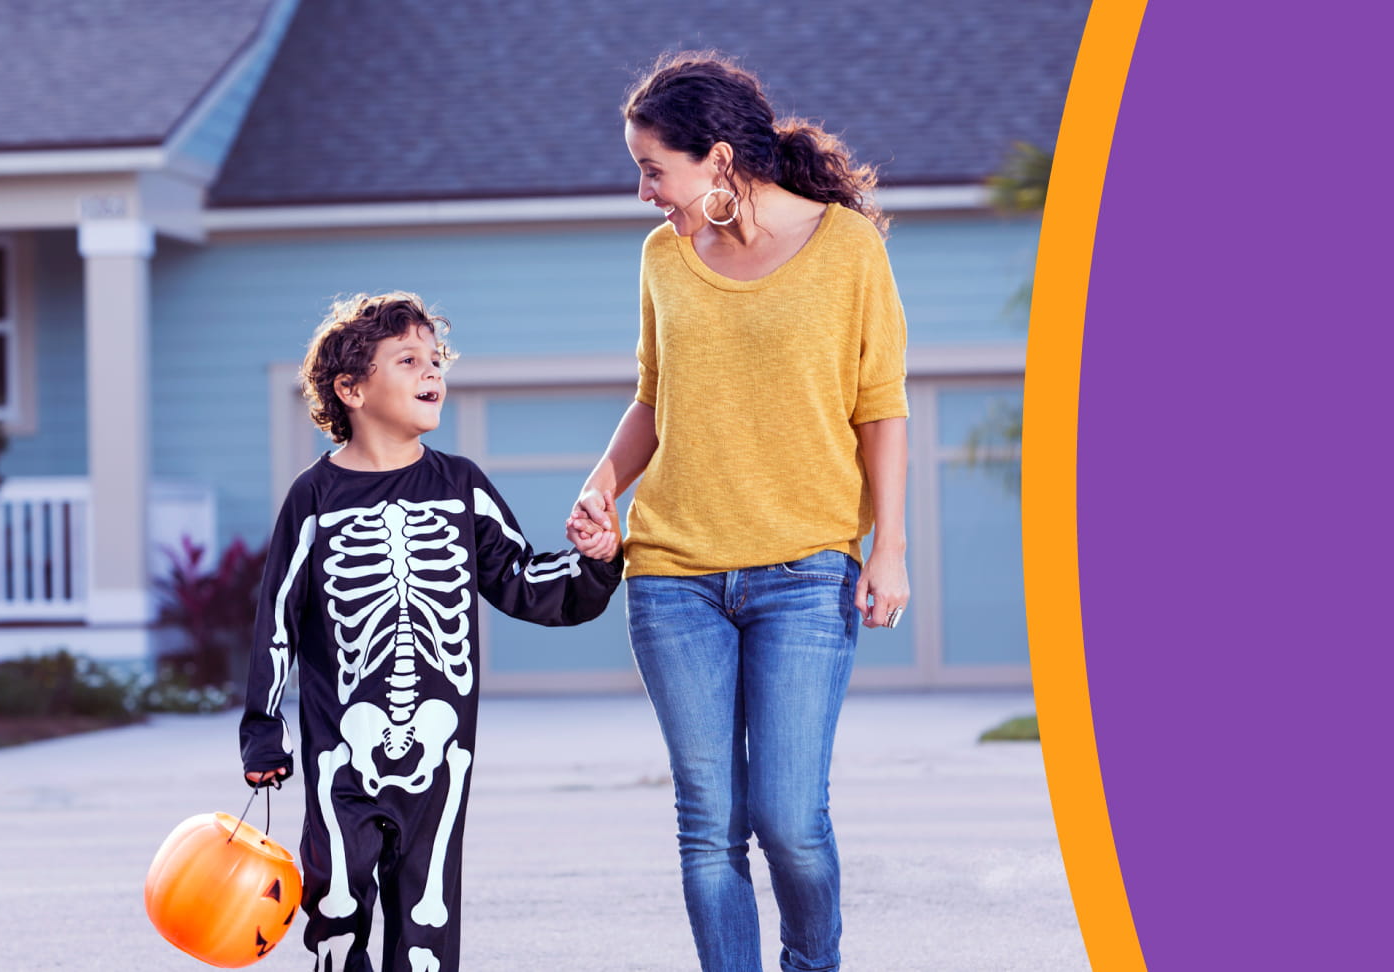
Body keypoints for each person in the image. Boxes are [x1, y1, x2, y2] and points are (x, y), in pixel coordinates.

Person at [567, 52, 910, 972]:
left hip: (806, 571)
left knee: (790, 820)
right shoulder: (662, 258)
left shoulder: (847, 249)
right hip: (674, 574)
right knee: (708, 825)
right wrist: (604, 482)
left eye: (652, 168)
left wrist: (891, 549)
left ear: (718, 159)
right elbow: (653, 396)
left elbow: (881, 405)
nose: (642, 191)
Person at [240, 291, 622, 972]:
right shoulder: (313, 497)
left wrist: (593, 564)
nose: (433, 372)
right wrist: (263, 729)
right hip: (340, 759)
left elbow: (522, 581)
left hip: (441, 759)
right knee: (336, 906)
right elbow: (277, 620)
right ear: (351, 388)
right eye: (409, 359)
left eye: (436, 359)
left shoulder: (460, 486)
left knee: (425, 918)